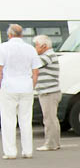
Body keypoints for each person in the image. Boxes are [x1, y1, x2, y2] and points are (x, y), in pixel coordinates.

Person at [0, 24, 43, 159]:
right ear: (21, 34)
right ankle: (27, 150)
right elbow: (35, 71)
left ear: (9, 34)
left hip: (9, 87)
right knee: (26, 119)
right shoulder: (30, 49)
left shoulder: (3, 48)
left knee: (8, 120)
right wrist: (32, 85)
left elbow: (0, 70)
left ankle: (10, 152)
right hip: (26, 86)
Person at [34, 34, 61, 151]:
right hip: (49, 92)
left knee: (49, 119)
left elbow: (33, 63)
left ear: (44, 46)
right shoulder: (48, 55)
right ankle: (54, 143)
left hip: (49, 92)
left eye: (36, 45)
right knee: (51, 119)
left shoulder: (48, 56)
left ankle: (51, 144)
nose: (35, 48)